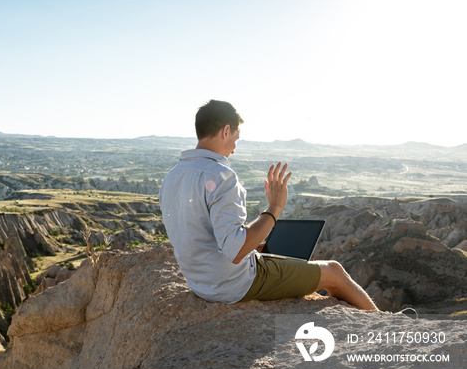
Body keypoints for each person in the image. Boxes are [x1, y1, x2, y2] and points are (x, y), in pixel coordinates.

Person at [159, 99, 378, 311]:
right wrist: (274, 208)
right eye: (236, 138)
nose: (234, 148)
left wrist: (253, 245)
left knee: (269, 253)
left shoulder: (172, 177)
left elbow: (201, 235)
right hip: (233, 285)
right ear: (226, 131)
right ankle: (386, 325)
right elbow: (235, 253)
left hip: (200, 284)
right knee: (334, 272)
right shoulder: (222, 176)